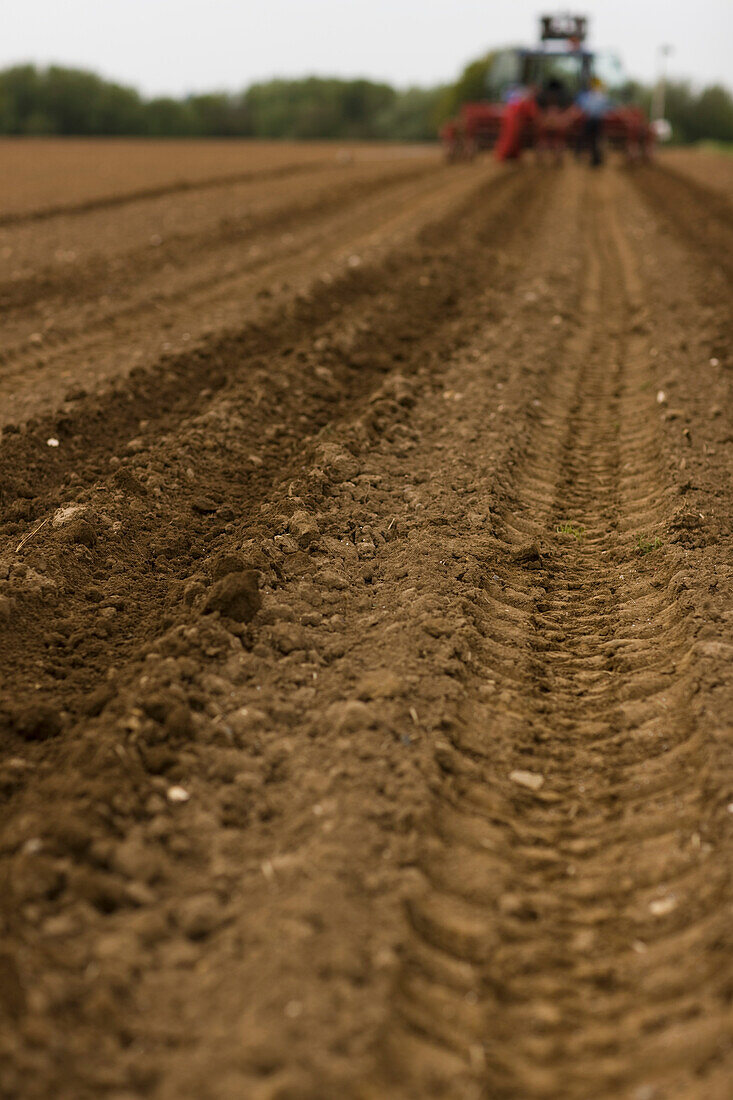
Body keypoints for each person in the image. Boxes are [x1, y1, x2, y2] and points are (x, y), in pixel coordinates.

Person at [575, 77, 610, 167]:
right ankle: (593, 158)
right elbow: (606, 109)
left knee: (590, 139)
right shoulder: (601, 97)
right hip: (595, 121)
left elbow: (583, 108)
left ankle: (590, 157)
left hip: (593, 121)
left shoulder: (590, 96)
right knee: (593, 139)